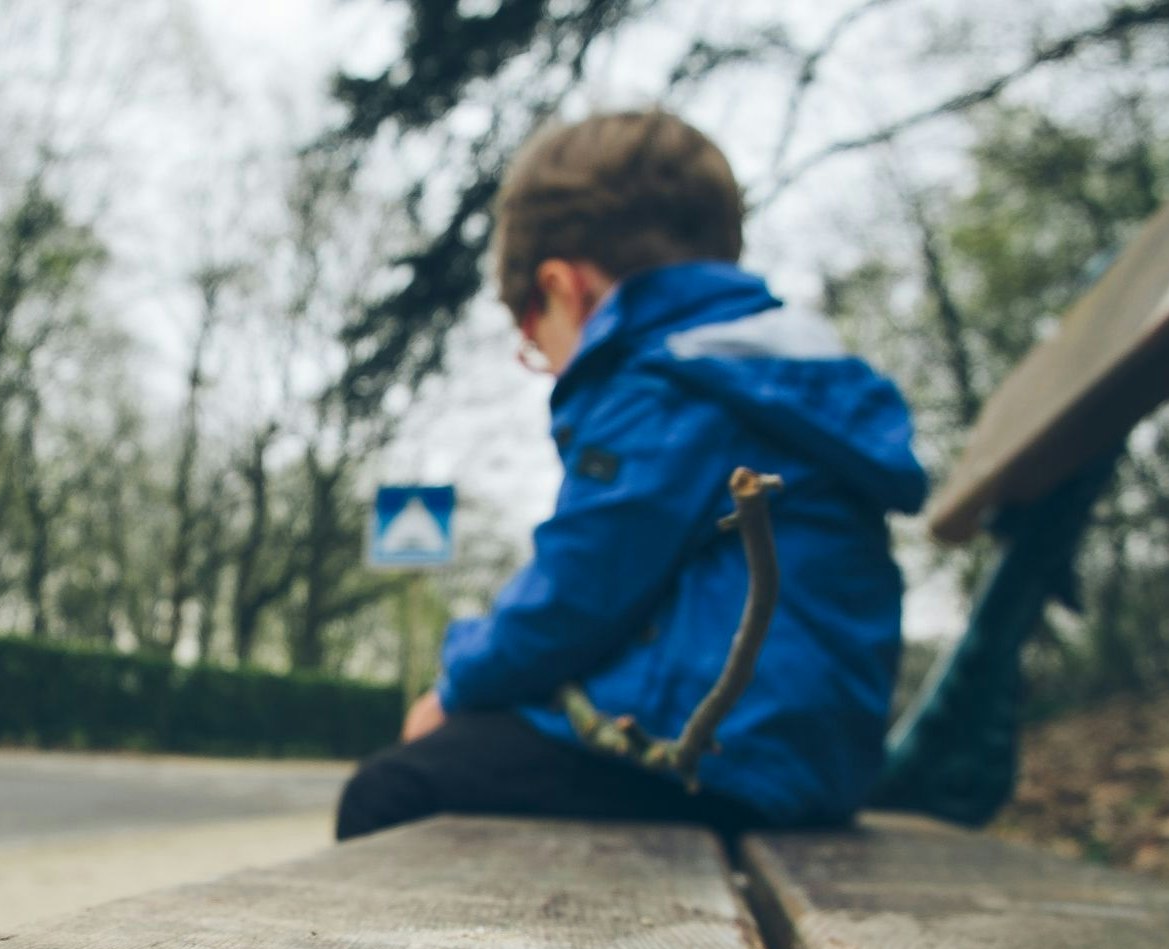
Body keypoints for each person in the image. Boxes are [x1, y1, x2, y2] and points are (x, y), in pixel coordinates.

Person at [336, 109, 928, 841]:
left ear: (564, 287)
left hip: (710, 760)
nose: (546, 362)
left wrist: (452, 686)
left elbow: (576, 594)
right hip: (806, 762)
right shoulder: (776, 373)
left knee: (393, 790)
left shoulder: (665, 384)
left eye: (533, 337)